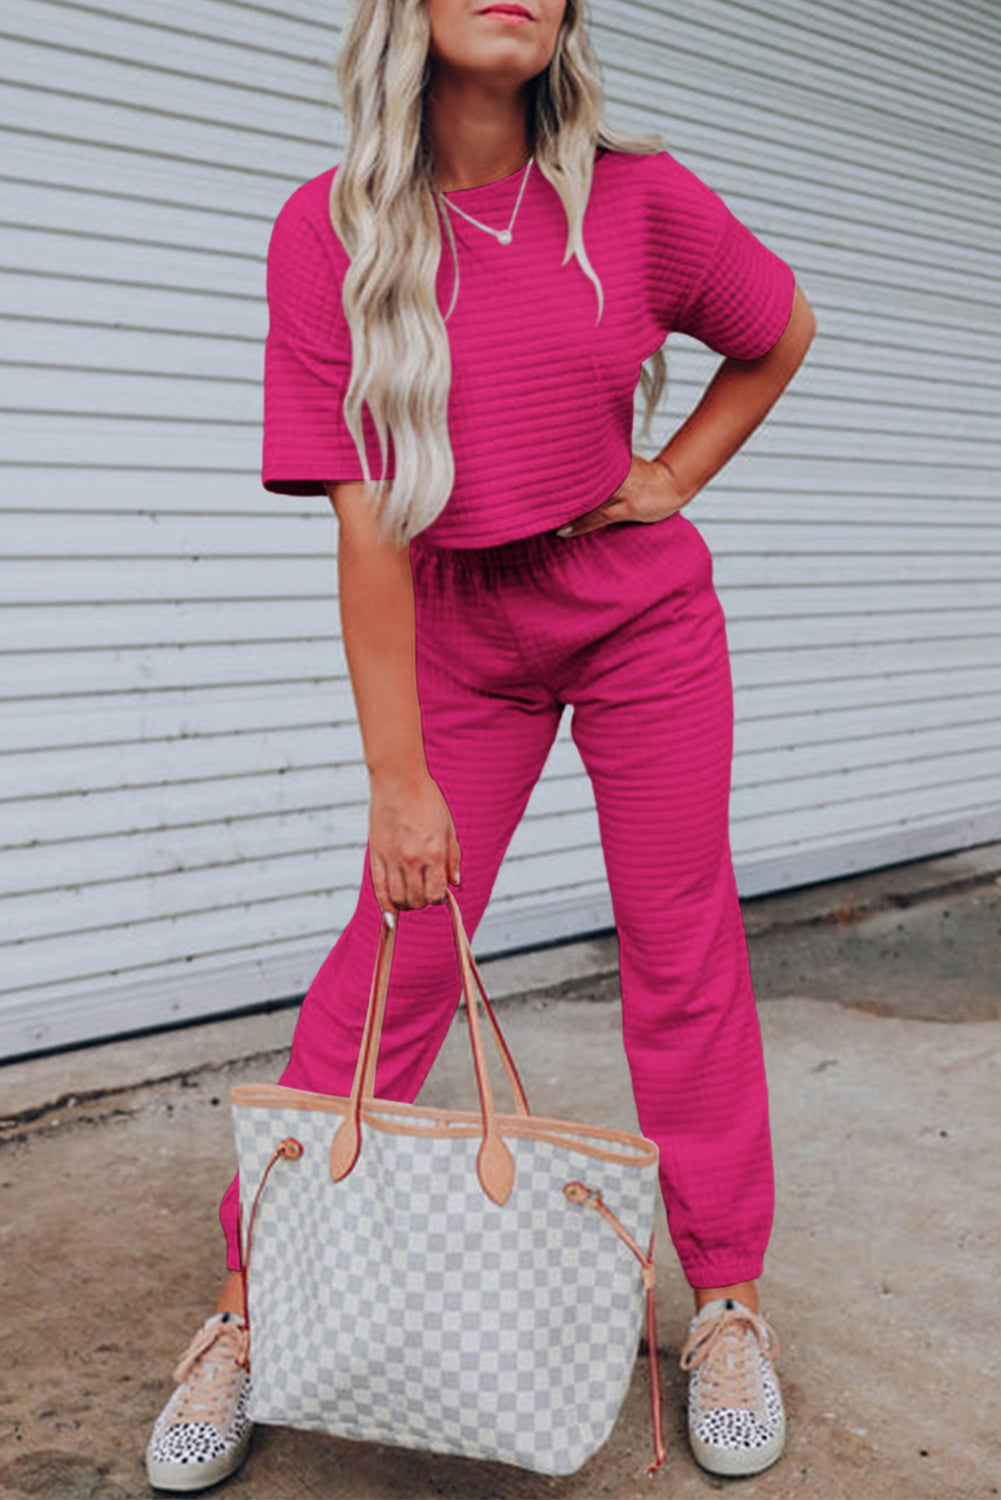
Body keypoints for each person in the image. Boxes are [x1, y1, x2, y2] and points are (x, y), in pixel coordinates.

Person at [145, 0, 817, 1490]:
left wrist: (667, 479)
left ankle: (720, 1302)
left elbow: (778, 330)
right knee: (397, 950)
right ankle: (252, 1305)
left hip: (637, 622)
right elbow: (363, 524)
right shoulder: (328, 229)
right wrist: (398, 783)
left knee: (679, 940)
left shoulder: (641, 196)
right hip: (455, 624)